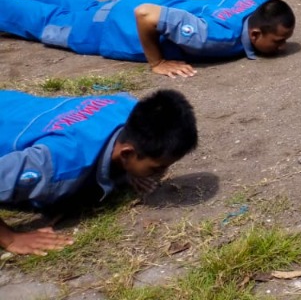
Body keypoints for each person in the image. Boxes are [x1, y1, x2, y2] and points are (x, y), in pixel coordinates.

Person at [0, 89, 198, 255]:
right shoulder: (57, 164)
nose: (162, 172)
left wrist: (129, 172)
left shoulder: (127, 106)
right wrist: (10, 239)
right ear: (127, 153)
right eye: (157, 167)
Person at [0, 0, 295, 76]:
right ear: (255, 34)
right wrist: (157, 63)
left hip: (152, 0)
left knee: (91, 6)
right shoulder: (212, 35)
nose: (282, 47)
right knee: (54, 25)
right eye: (278, 41)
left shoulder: (257, 1)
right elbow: (146, 16)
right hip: (122, 26)